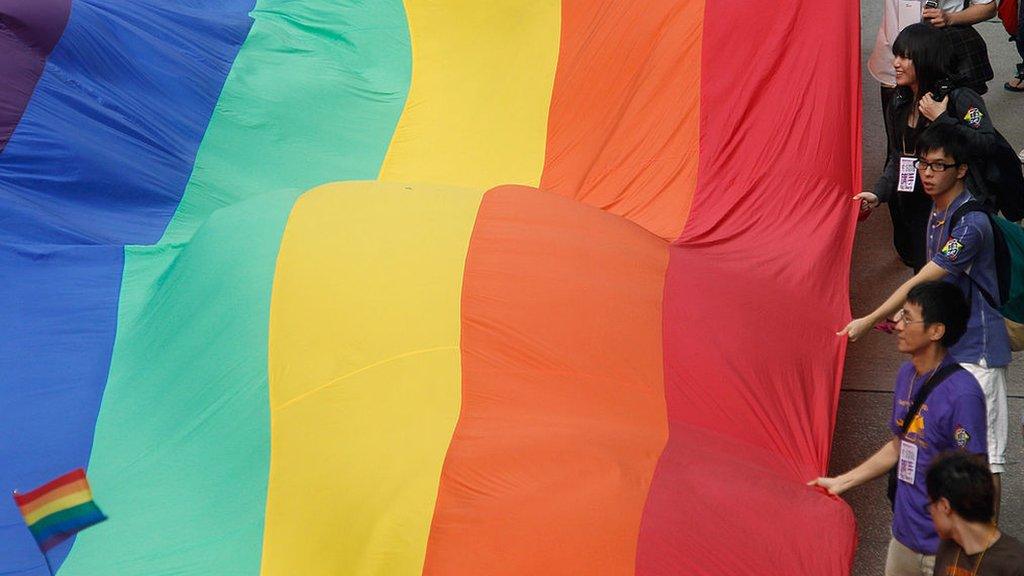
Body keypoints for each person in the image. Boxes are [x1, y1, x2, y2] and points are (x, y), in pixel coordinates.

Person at [845, 124, 1010, 519]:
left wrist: (869, 319)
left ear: (962, 170)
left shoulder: (971, 225)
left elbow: (924, 278)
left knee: (983, 460)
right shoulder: (937, 213)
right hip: (950, 350)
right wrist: (906, 316)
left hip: (979, 356)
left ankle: (980, 545)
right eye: (923, 164)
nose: (928, 173)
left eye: (939, 165)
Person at [811, 282, 988, 576]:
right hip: (903, 541)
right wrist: (842, 482)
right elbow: (901, 444)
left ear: (936, 331)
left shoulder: (963, 394)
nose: (896, 323)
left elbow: (974, 472)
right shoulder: (906, 374)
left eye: (907, 317)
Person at [860, 24, 997, 271]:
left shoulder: (960, 98)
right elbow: (899, 156)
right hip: (917, 211)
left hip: (956, 212)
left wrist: (943, 120)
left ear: (927, 59)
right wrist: (878, 193)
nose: (896, 63)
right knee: (924, 276)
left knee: (955, 285)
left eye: (905, 57)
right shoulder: (899, 101)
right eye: (896, 55)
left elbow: (987, 143)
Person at [927, 451, 1024, 575]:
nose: (930, 512)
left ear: (944, 506)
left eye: (930, 505)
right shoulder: (948, 548)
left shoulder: (1016, 564)